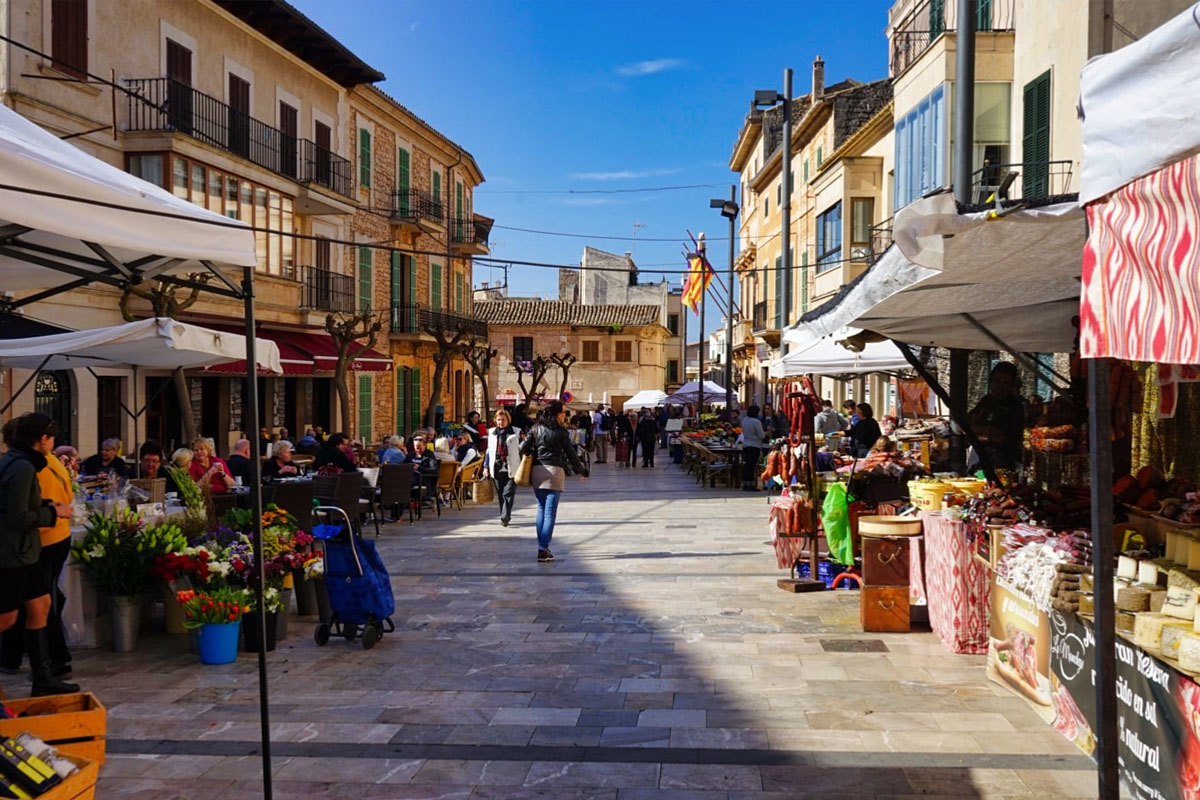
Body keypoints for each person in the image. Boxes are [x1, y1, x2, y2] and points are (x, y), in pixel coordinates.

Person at [0, 413, 78, 696]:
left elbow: (17, 503)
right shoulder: (21, 467)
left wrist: (45, 503)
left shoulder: (18, 462)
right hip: (15, 552)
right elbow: (18, 516)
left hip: (27, 551)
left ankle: (43, 677)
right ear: (41, 439)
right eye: (51, 437)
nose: (54, 442)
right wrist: (53, 512)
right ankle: (43, 675)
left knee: (41, 604)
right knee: (7, 617)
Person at [519, 401, 588, 562]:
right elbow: (571, 455)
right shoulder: (561, 432)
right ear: (557, 414)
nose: (565, 415)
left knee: (541, 509)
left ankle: (541, 546)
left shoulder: (535, 429)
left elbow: (522, 448)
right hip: (554, 471)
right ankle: (543, 548)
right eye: (563, 412)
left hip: (537, 470)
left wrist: (533, 451)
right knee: (549, 512)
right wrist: (582, 470)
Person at [969, 361, 1025, 471]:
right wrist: (980, 430)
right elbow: (968, 422)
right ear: (991, 381)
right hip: (978, 461)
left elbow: (1000, 437)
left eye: (1006, 382)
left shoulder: (1015, 406)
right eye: (998, 380)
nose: (1001, 386)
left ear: (1012, 385)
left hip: (1001, 464)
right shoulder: (987, 400)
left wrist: (980, 432)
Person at [484, 409, 521, 527]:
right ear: (495, 420)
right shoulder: (492, 433)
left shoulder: (516, 432)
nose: (501, 422)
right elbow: (489, 451)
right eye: (498, 419)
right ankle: (504, 515)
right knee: (500, 493)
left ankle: (505, 516)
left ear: (508, 420)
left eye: (503, 420)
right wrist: (485, 466)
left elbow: (522, 448)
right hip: (497, 466)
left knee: (508, 493)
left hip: (512, 466)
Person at [739, 405, 767, 491]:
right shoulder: (756, 422)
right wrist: (767, 433)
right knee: (751, 465)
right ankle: (750, 484)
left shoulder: (745, 420)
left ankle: (745, 483)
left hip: (746, 444)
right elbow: (761, 435)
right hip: (755, 445)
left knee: (747, 464)